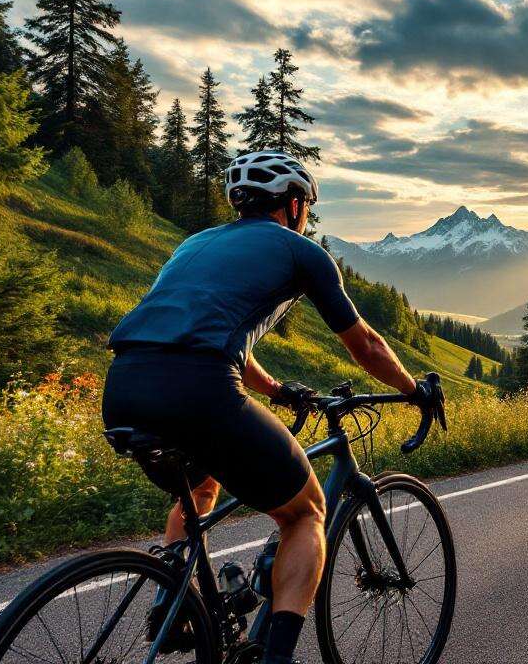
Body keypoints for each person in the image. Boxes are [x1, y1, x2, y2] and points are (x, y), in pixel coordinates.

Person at [102, 151, 435, 664]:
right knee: (306, 513)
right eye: (307, 207)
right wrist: (413, 390)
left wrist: (277, 390)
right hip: (199, 388)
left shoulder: (195, 243)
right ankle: (276, 657)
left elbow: (211, 337)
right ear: (295, 205)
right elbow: (366, 345)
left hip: (125, 385)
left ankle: (174, 608)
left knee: (202, 486)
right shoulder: (301, 252)